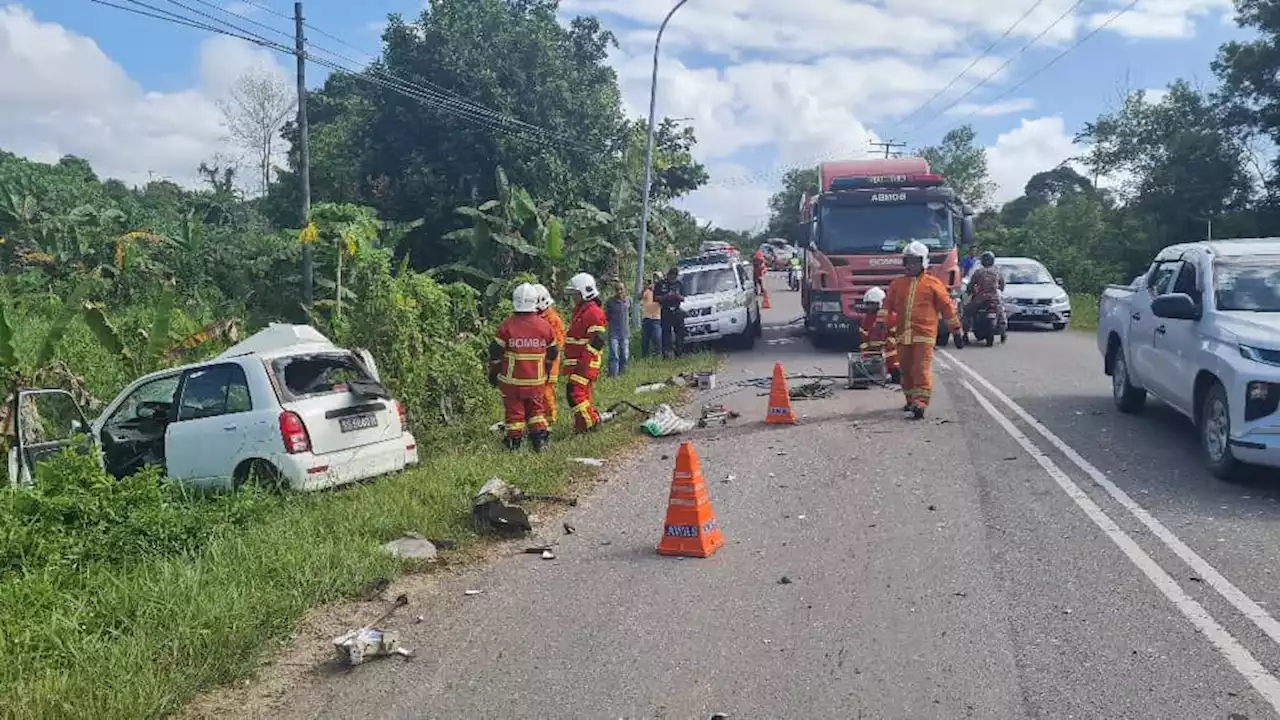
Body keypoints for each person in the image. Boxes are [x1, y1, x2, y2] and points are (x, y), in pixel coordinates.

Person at [877, 241, 962, 419]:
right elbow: (886, 306)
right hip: (903, 336)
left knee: (920, 369)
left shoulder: (933, 284)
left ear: (923, 262)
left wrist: (956, 329)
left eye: (915, 261)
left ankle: (921, 403)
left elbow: (947, 307)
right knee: (905, 370)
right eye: (908, 261)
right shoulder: (897, 285)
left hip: (924, 336)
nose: (911, 265)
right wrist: (880, 322)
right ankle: (910, 399)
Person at [488, 283, 557, 451]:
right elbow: (553, 352)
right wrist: (546, 370)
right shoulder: (545, 326)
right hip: (536, 382)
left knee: (515, 414)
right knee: (536, 411)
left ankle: (514, 445)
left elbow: (494, 353)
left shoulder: (506, 327)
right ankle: (539, 442)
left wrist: (493, 374)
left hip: (512, 383)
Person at [562, 272, 608, 433]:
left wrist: (584, 362)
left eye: (575, 294)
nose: (573, 298)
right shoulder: (582, 311)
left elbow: (598, 340)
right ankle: (582, 424)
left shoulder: (593, 312)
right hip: (579, 362)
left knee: (574, 393)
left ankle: (591, 423)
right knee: (582, 394)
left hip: (585, 362)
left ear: (585, 292)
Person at [534, 284, 566, 424]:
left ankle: (550, 418)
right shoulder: (538, 316)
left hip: (550, 361)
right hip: (539, 361)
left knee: (546, 391)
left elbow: (558, 343)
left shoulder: (552, 319)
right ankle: (540, 416)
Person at [859, 286, 900, 384]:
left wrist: (885, 347)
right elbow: (864, 337)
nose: (869, 307)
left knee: (896, 372)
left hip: (889, 353)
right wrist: (866, 353)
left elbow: (895, 336)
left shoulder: (891, 317)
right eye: (868, 304)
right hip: (873, 352)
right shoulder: (866, 319)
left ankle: (894, 373)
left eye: (872, 304)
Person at [963, 251, 1007, 341]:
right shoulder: (997, 271)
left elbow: (971, 284)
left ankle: (965, 334)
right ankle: (1003, 332)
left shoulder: (978, 272)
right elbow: (1002, 285)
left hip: (980, 298)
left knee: (967, 313)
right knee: (1002, 312)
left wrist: (969, 291)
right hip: (994, 298)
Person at [654, 266, 686, 358]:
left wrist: (677, 296)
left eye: (675, 277)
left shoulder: (679, 284)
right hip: (666, 309)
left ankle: (679, 352)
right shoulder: (661, 284)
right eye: (672, 276)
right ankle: (667, 353)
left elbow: (683, 297)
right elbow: (656, 298)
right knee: (666, 332)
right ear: (668, 275)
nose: (673, 278)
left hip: (676, 309)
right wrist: (666, 297)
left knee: (680, 332)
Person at [605, 279, 630, 377]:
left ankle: (623, 374)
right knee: (614, 355)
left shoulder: (628, 301)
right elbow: (605, 316)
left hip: (625, 332)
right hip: (613, 333)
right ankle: (613, 375)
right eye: (617, 289)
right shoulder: (610, 302)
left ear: (624, 290)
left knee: (624, 355)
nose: (619, 291)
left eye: (621, 289)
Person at [640, 272, 662, 357]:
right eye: (654, 277)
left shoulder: (661, 289)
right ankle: (644, 357)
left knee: (657, 339)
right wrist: (644, 289)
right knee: (645, 340)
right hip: (646, 318)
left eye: (657, 278)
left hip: (656, 318)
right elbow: (638, 297)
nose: (655, 279)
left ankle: (658, 357)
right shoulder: (648, 290)